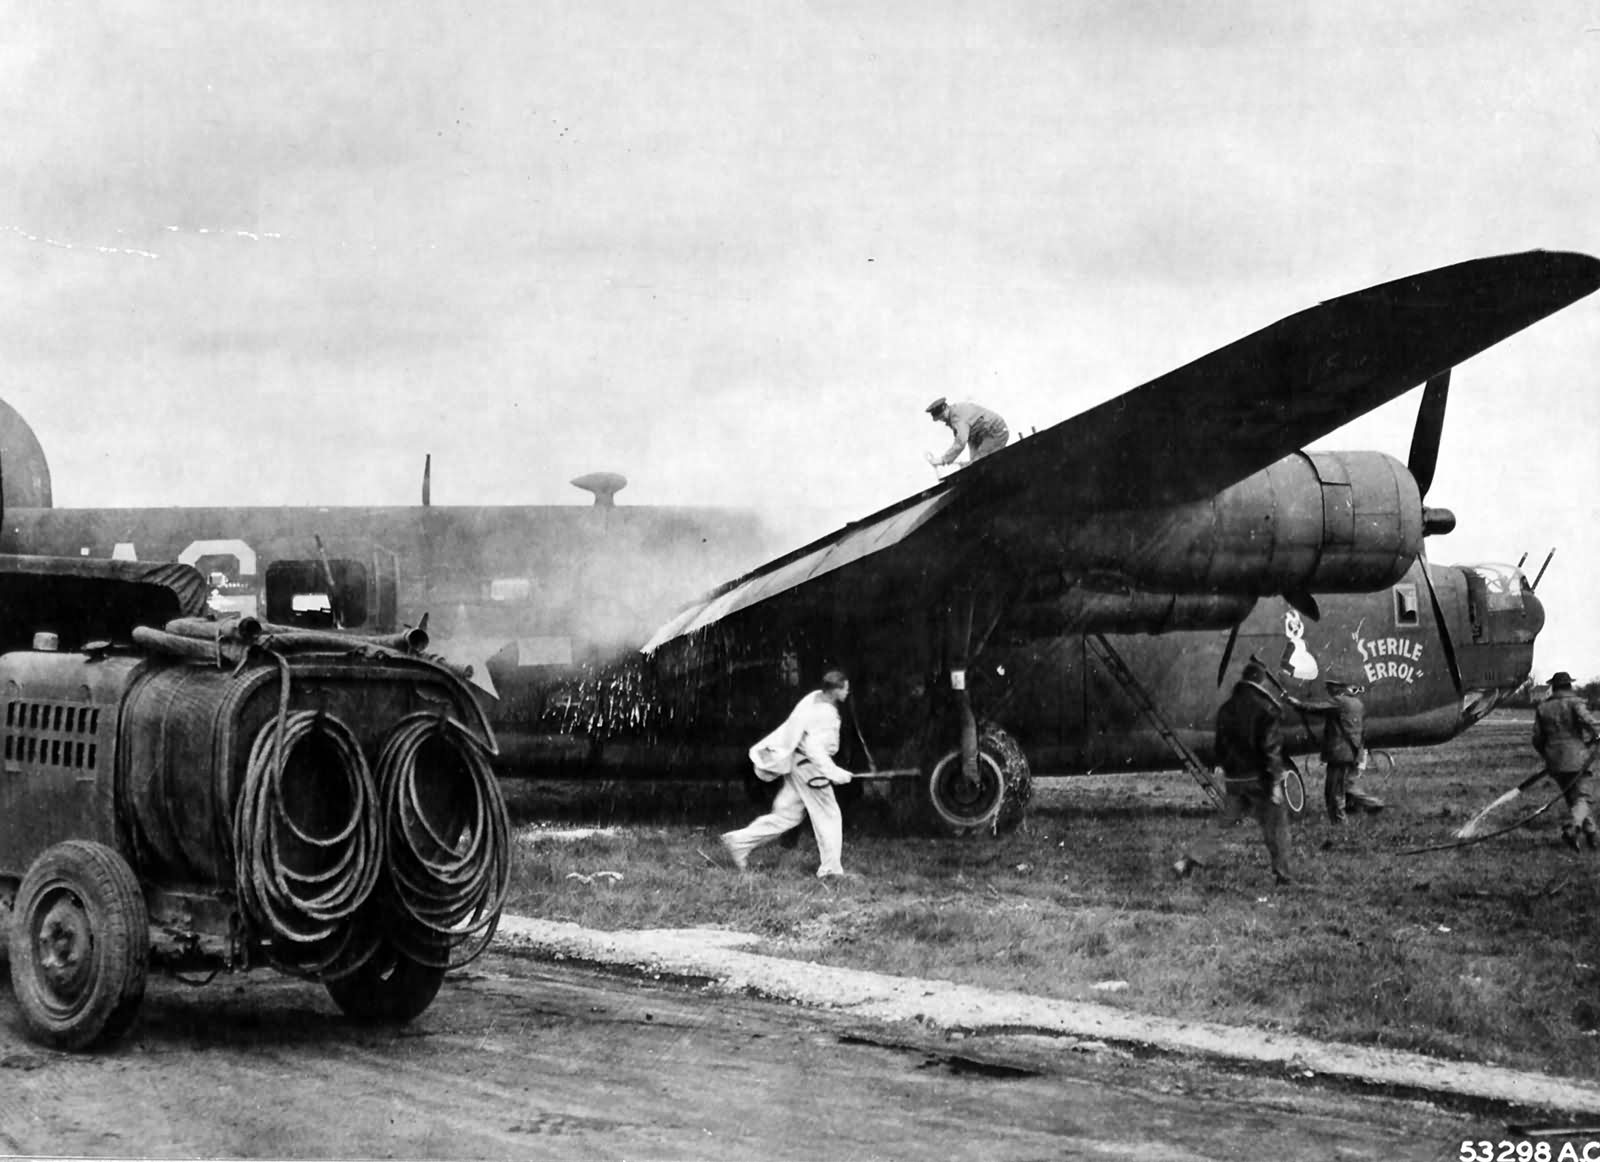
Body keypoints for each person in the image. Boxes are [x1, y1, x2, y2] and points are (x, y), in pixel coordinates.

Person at [721, 670, 856, 878]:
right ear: (835, 690)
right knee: (828, 814)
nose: (847, 692)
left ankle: (739, 842)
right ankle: (831, 870)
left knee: (787, 815)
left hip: (796, 764)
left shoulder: (813, 698)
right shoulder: (826, 714)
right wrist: (834, 773)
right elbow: (814, 748)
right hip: (810, 768)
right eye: (845, 688)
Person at [1173, 660, 1295, 886]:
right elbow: (1270, 749)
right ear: (1261, 681)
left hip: (1235, 780)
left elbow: (1219, 746)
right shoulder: (1267, 708)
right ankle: (1283, 874)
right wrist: (1275, 782)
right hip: (1260, 780)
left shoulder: (1226, 708)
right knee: (1276, 825)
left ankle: (1187, 861)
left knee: (1222, 824)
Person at [1287, 675, 1384, 823]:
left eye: (1331, 687)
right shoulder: (1357, 703)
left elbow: (1316, 708)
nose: (1328, 690)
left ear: (1340, 688)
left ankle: (1340, 825)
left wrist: (1297, 704)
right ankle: (1371, 804)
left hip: (1340, 754)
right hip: (1353, 752)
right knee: (1346, 787)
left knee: (1334, 792)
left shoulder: (1340, 701)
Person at [1532, 671, 1600, 851]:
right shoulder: (1575, 703)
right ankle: (1572, 829)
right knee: (1583, 798)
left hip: (1554, 762)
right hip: (1577, 759)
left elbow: (1537, 739)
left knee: (1573, 798)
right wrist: (1596, 734)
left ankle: (1592, 834)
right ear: (1569, 685)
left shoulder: (1542, 708)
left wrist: (1548, 754)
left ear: (1553, 687)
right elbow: (1590, 722)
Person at [925, 397, 1009, 467]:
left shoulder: (957, 416)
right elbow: (966, 437)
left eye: (942, 416)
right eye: (939, 418)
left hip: (995, 431)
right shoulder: (952, 415)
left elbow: (961, 442)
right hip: (979, 435)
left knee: (979, 463)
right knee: (974, 465)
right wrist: (970, 462)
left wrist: (943, 460)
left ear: (946, 408)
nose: (942, 420)